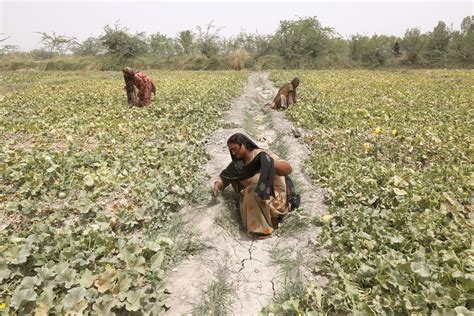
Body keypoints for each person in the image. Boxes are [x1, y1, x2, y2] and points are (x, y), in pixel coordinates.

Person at [213, 133, 298, 239]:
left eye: (235, 149)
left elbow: (288, 169)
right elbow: (226, 176)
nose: (233, 153)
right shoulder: (238, 165)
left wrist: (268, 164)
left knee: (251, 191)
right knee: (249, 192)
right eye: (231, 151)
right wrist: (218, 184)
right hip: (255, 202)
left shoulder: (263, 155)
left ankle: (262, 230)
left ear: (244, 144)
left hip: (274, 199)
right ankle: (264, 220)